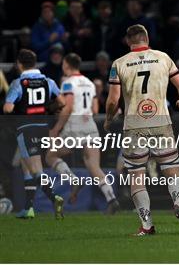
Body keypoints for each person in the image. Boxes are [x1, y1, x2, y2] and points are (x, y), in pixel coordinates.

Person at [105, 24, 179, 236]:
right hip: (161, 122)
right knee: (172, 170)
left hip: (134, 126)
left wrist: (109, 119)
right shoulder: (163, 58)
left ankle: (147, 225)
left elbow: (113, 100)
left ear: (128, 42)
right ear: (147, 39)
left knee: (136, 176)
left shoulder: (119, 63)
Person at [45, 53, 120, 214]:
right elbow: (94, 109)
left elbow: (69, 106)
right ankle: (111, 197)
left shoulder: (67, 82)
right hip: (90, 126)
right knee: (93, 165)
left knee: (50, 156)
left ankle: (73, 180)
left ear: (66, 65)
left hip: (74, 126)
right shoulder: (89, 83)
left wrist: (56, 129)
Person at [3, 49, 65, 219]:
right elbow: (62, 102)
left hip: (26, 128)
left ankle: (54, 197)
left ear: (19, 64)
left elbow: (7, 108)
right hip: (43, 127)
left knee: (35, 168)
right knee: (26, 166)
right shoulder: (48, 81)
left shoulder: (18, 83)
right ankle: (28, 208)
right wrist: (45, 108)